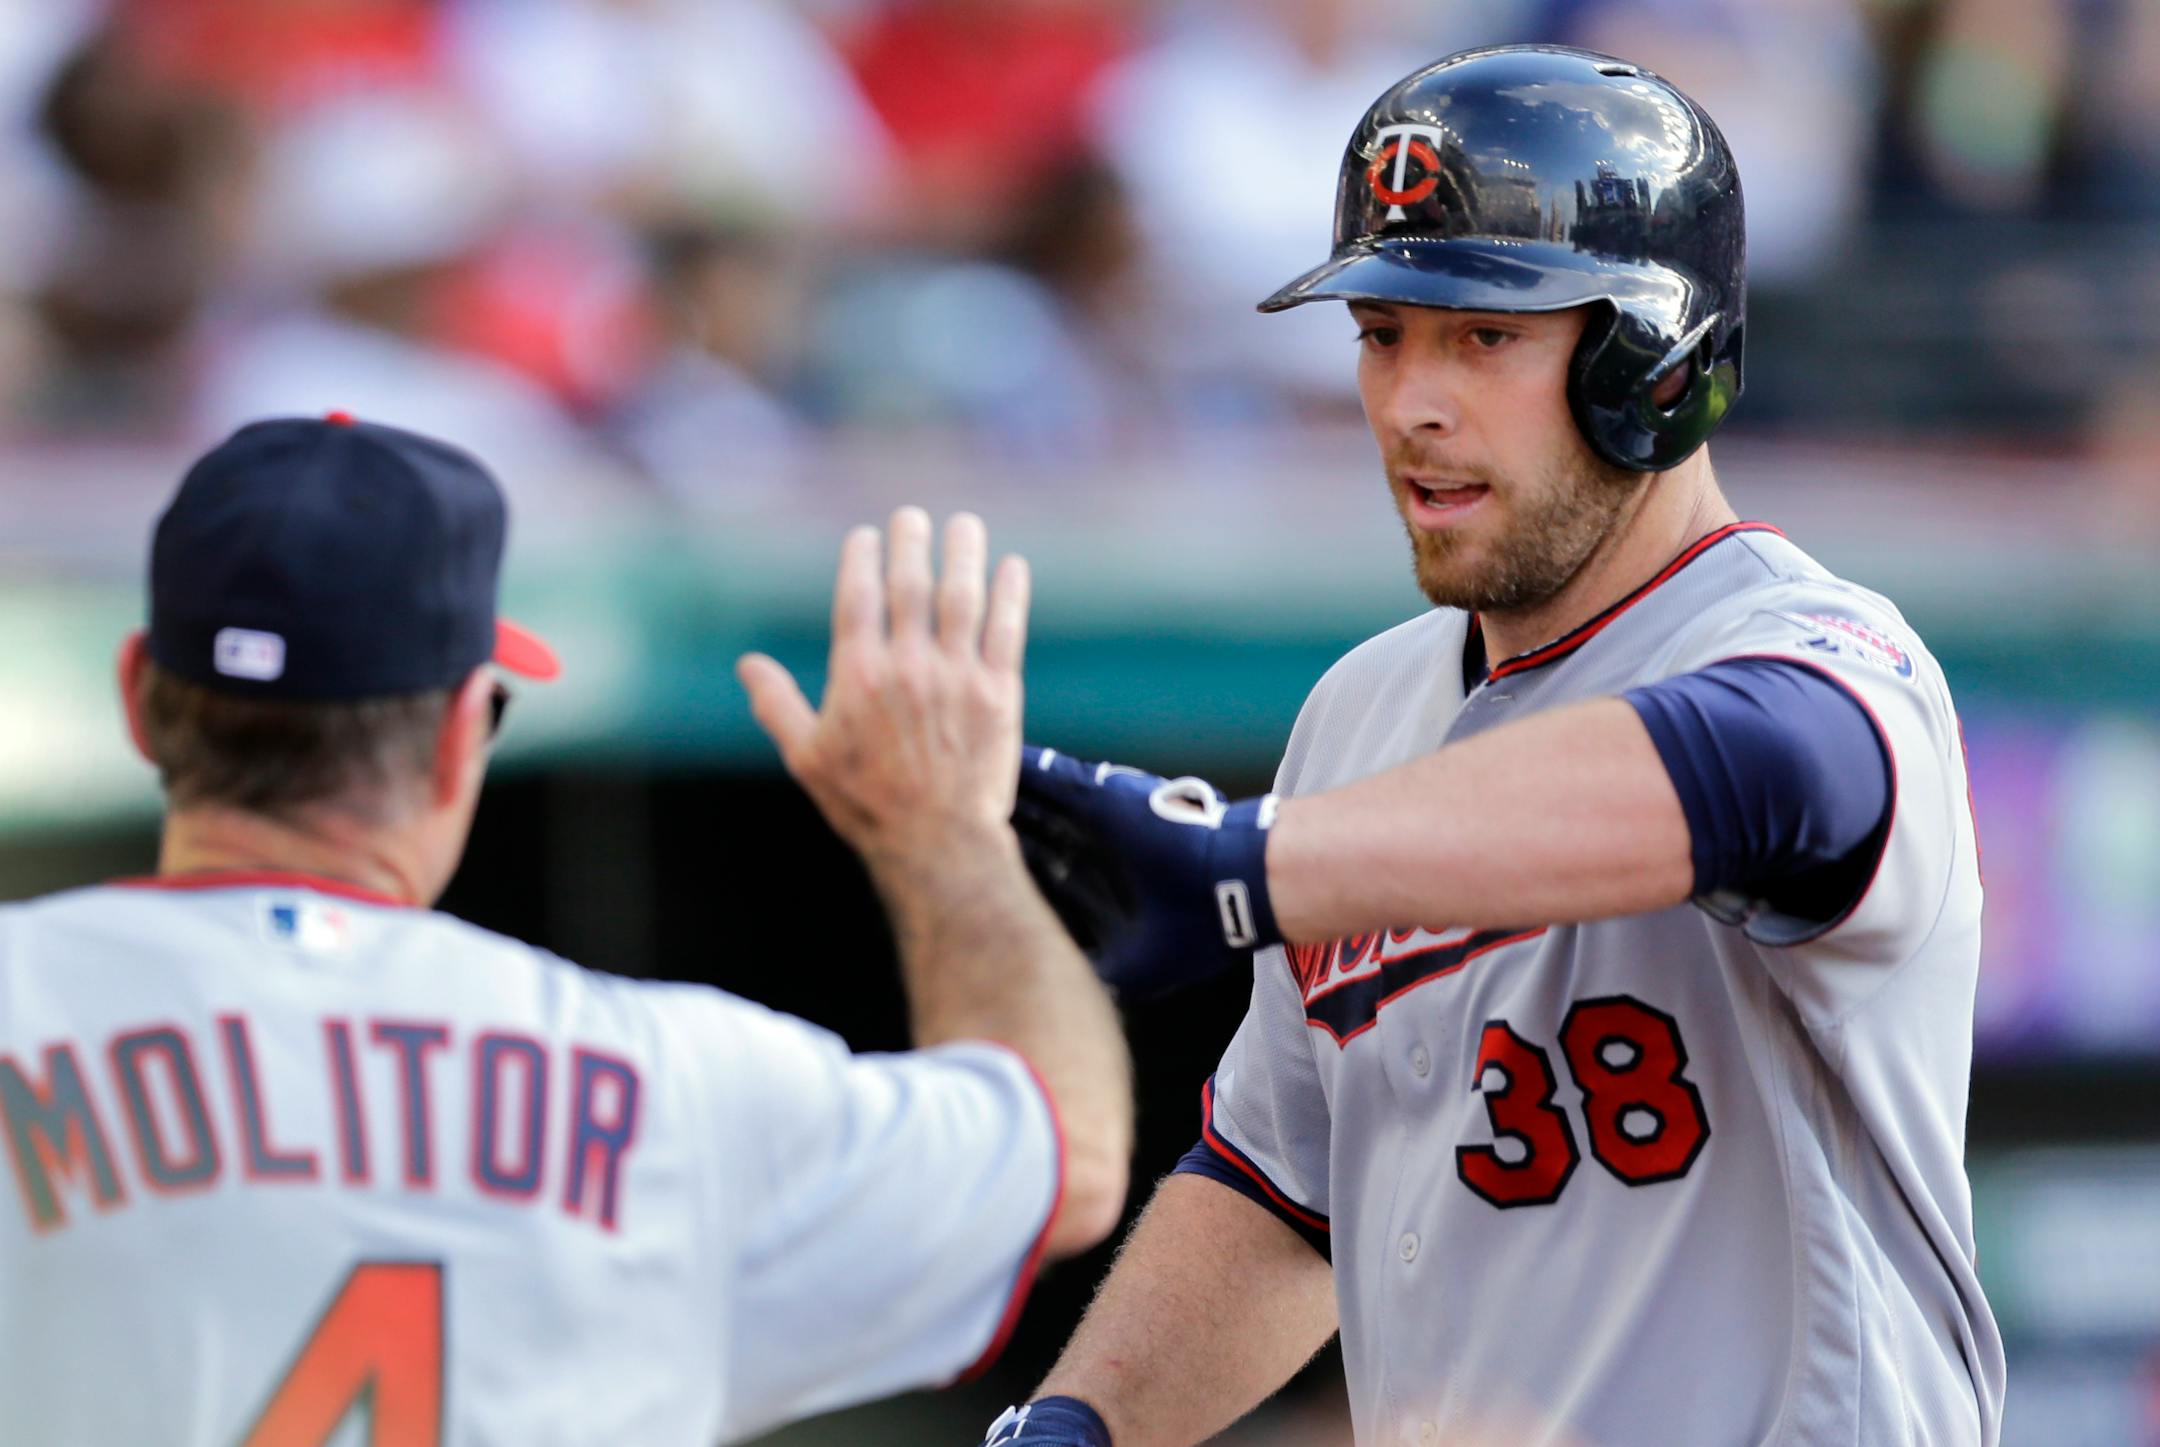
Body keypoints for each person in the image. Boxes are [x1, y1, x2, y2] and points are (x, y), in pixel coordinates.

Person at [987, 44, 2004, 1447]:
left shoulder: (1818, 650)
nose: (1412, 402)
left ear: (1659, 362)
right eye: (1382, 333)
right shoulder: (1358, 712)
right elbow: (1286, 1188)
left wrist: (1247, 860)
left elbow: (1773, 774)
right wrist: (1074, 1424)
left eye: (1485, 337)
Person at [0, 412, 1132, 1443]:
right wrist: (940, 830)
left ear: (140, 698)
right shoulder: (678, 1083)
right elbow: (1065, 1158)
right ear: (460, 731)